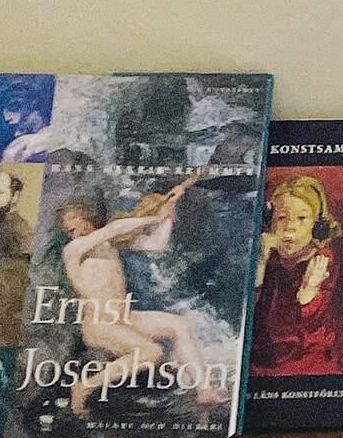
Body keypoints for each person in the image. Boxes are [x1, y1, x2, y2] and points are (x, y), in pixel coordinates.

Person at [55, 173, 225, 416]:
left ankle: (204, 390)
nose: (68, 226)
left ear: (87, 217)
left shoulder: (108, 245)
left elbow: (157, 246)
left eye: (72, 218)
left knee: (179, 325)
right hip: (100, 325)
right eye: (64, 224)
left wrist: (168, 213)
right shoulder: (73, 250)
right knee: (151, 352)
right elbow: (115, 228)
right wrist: (154, 217)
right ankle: (85, 386)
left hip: (124, 317)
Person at [252, 175, 342, 375]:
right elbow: (249, 306)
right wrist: (260, 263)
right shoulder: (267, 257)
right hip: (263, 357)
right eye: (281, 218)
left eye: (302, 219)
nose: (290, 227)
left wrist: (309, 290)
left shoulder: (322, 260)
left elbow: (312, 320)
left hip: (305, 358)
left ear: (318, 226)